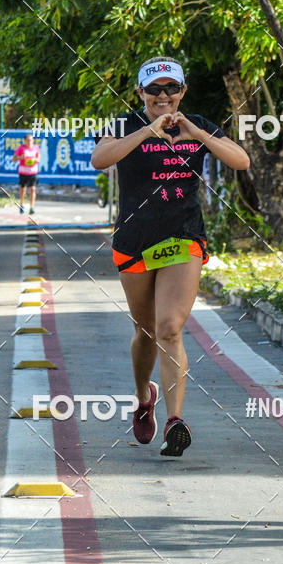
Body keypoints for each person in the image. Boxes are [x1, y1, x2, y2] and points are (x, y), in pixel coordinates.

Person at [91, 56, 250, 457]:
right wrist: (148, 132)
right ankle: (145, 397)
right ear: (140, 93)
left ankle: (175, 421)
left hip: (184, 237)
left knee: (169, 329)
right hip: (136, 239)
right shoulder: (125, 126)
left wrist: (196, 132)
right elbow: (100, 158)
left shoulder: (197, 125)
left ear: (182, 91)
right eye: (154, 90)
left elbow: (241, 160)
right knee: (144, 330)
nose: (163, 97)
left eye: (171, 89)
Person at [12, 133, 41, 214]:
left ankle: (32, 207)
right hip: (23, 171)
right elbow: (13, 159)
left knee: (33, 189)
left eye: (31, 140)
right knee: (23, 190)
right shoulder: (21, 148)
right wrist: (21, 157)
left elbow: (39, 159)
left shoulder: (36, 147)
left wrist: (34, 159)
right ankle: (22, 204)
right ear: (24, 141)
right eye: (28, 140)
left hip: (33, 172)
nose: (29, 142)